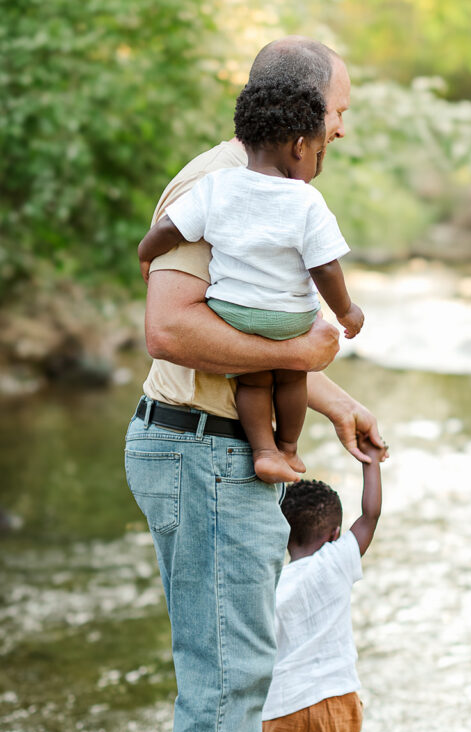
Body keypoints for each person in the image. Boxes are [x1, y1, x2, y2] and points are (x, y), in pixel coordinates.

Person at [124, 37, 387, 732]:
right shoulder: (214, 183)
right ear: (301, 110)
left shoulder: (274, 184)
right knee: (225, 667)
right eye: (338, 112)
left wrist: (335, 399)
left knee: (246, 661)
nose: (342, 130)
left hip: (223, 448)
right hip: (197, 448)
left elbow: (257, 327)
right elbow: (172, 327)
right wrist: (306, 343)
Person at [137, 75, 364, 485]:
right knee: (290, 375)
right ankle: (288, 449)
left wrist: (144, 252)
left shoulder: (217, 185)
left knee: (256, 381)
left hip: (234, 313)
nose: (339, 132)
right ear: (299, 145)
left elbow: (171, 228)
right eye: (337, 116)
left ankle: (263, 451)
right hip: (208, 438)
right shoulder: (305, 199)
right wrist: (345, 311)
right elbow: (326, 267)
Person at [249, 435, 382, 732]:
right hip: (331, 691)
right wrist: (371, 462)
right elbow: (372, 514)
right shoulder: (335, 562)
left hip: (281, 700)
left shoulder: (270, 584)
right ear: (335, 533)